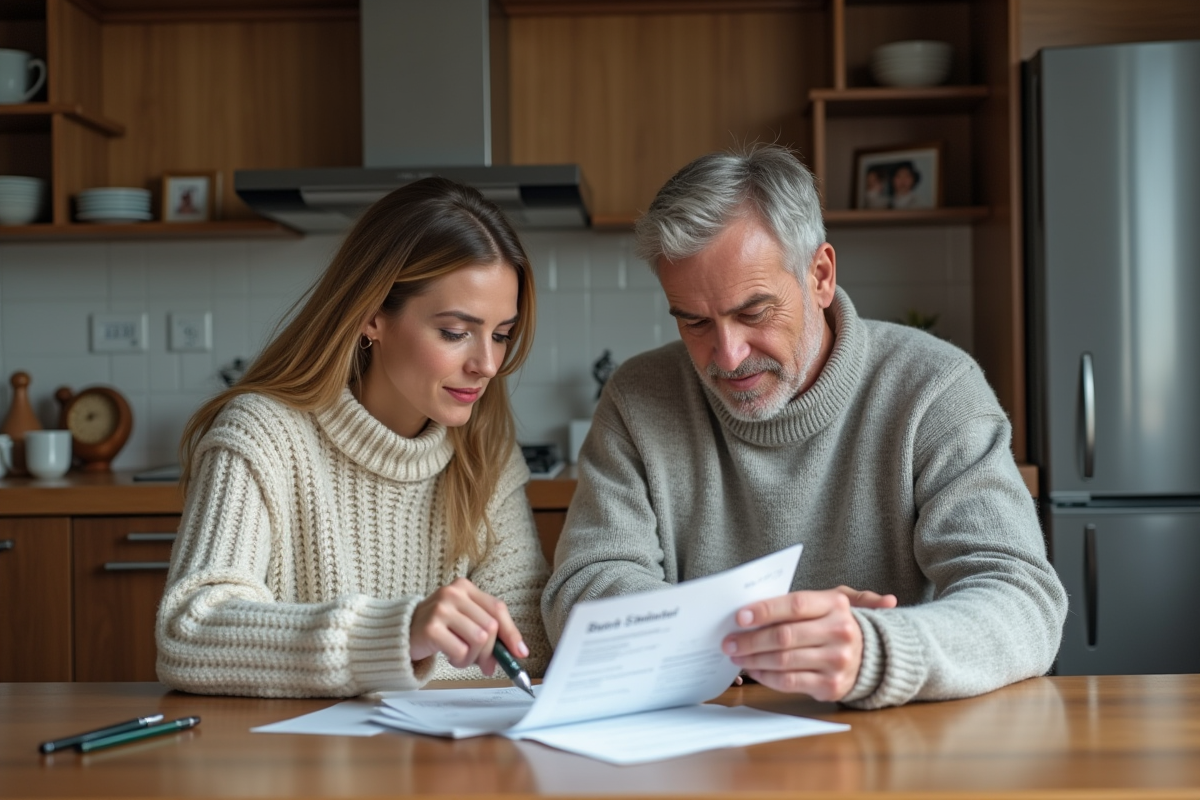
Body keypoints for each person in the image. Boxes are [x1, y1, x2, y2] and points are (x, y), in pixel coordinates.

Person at [542, 145, 1067, 710]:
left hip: (895, 750)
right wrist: (732, 637)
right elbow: (582, 591)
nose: (728, 353)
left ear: (819, 275)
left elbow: (1023, 600)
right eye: (694, 321)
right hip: (702, 752)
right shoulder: (638, 398)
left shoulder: (935, 390)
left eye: (753, 312)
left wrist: (875, 650)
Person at [157, 177, 551, 698]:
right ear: (372, 317)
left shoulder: (486, 454)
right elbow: (190, 632)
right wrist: (397, 638)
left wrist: (403, 662)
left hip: (434, 768)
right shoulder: (261, 433)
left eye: (501, 335)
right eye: (456, 332)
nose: (487, 364)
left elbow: (525, 641)